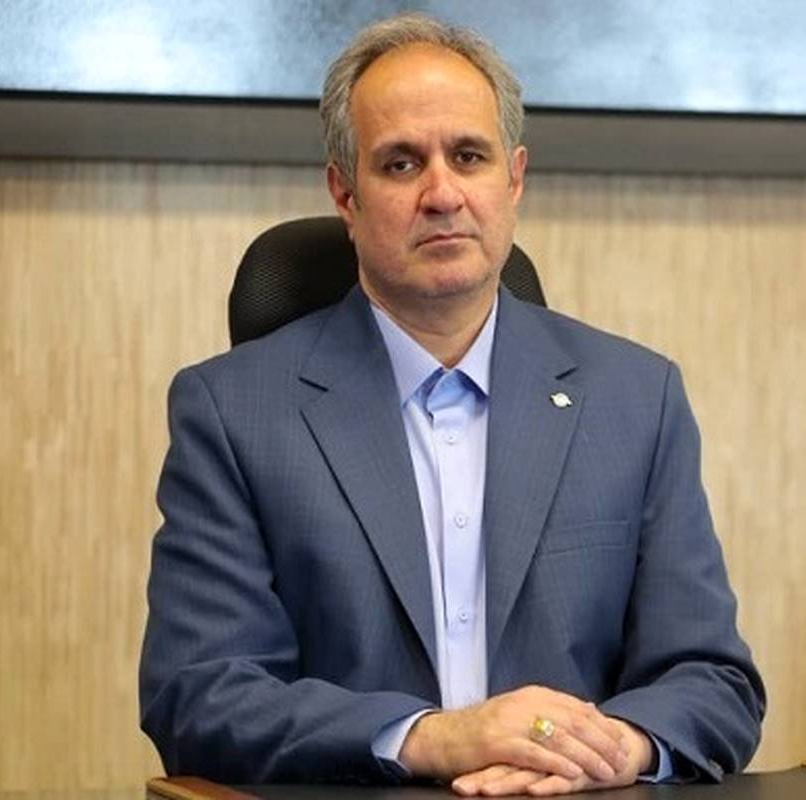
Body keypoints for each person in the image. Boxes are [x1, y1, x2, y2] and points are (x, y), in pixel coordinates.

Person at [139, 13, 765, 796]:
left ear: (514, 179)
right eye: (401, 164)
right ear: (345, 193)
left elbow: (713, 680)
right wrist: (436, 739)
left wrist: (614, 749)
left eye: (469, 156)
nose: (442, 194)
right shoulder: (233, 414)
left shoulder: (636, 400)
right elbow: (198, 697)